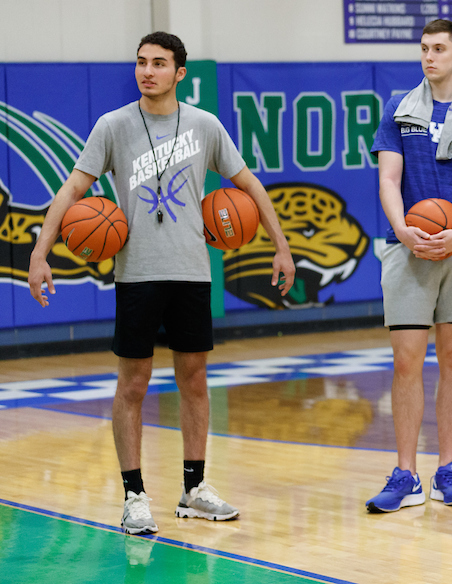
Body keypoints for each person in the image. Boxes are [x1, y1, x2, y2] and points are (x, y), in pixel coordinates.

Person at [27, 32, 296, 535]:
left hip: (192, 271)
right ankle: (134, 496)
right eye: (141, 62)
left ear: (180, 73)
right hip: (137, 274)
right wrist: (40, 253)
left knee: (194, 381)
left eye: (158, 63)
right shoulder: (113, 126)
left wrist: (281, 246)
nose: (147, 71)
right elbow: (72, 189)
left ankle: (194, 488)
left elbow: (249, 185)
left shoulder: (204, 125)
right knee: (133, 384)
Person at [366, 19, 452, 513]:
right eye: (424, 48)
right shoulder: (399, 109)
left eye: (440, 49)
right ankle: (406, 473)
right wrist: (403, 229)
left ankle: (449, 467)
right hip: (408, 248)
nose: (430, 57)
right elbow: (388, 178)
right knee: (406, 361)